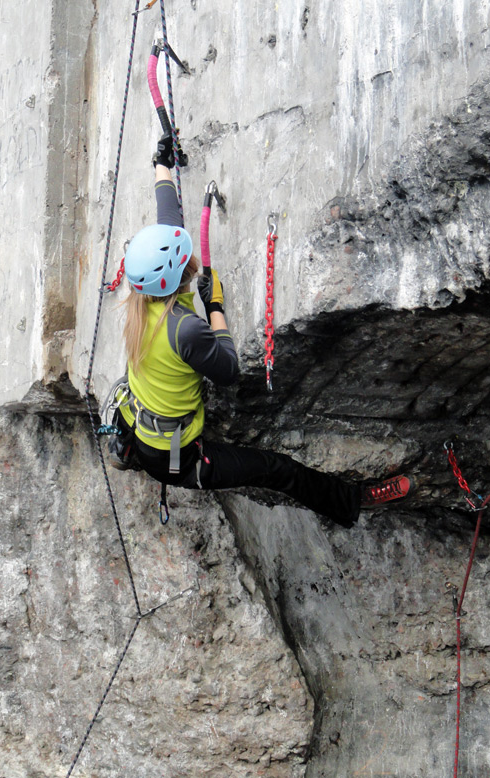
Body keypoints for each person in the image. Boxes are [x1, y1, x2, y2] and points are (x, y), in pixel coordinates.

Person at [107, 136, 413, 528]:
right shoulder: (186, 330)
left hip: (142, 427)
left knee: (262, 463)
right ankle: (353, 500)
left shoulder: (141, 299)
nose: (191, 255)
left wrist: (160, 163)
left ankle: (126, 450)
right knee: (276, 469)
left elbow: (168, 219)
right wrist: (215, 306)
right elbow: (229, 371)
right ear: (180, 278)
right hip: (179, 459)